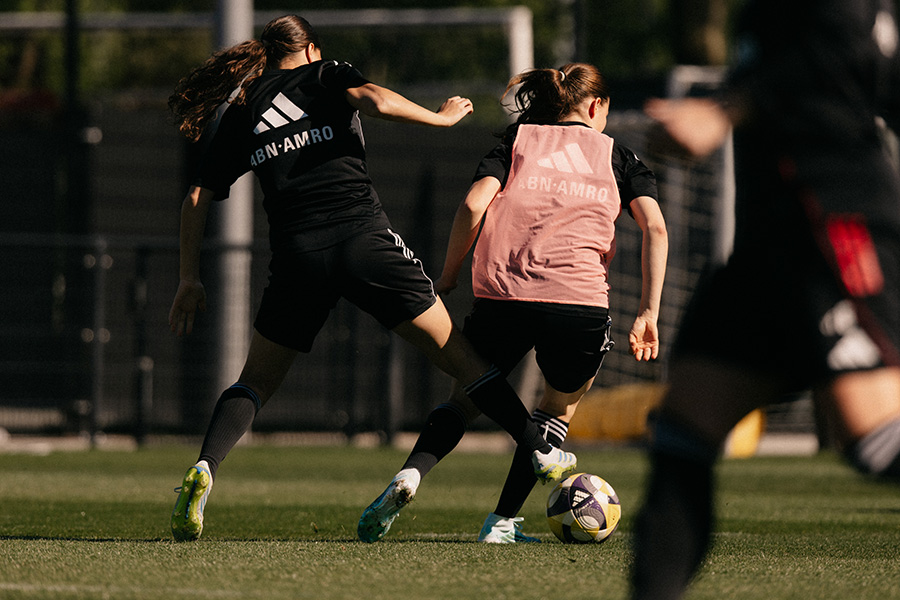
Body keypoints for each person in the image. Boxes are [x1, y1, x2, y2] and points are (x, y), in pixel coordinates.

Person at [165, 14, 577, 543]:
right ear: (311, 48)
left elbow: (197, 195)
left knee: (255, 382)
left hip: (298, 257)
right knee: (462, 358)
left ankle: (205, 468)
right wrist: (441, 118)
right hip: (363, 241)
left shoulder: (245, 107)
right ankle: (540, 451)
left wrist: (188, 278)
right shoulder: (325, 74)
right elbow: (377, 100)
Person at [633, 0, 900, 598]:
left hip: (831, 221)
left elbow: (840, 52)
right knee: (684, 428)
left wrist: (724, 109)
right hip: (766, 243)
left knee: (875, 436)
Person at [358, 62, 668, 543]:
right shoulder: (619, 156)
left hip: (503, 295)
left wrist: (449, 274)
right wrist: (648, 310)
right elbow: (655, 228)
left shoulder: (517, 141)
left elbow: (472, 205)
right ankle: (500, 521)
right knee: (557, 410)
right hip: (579, 303)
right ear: (596, 106)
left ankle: (411, 474)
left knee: (464, 399)